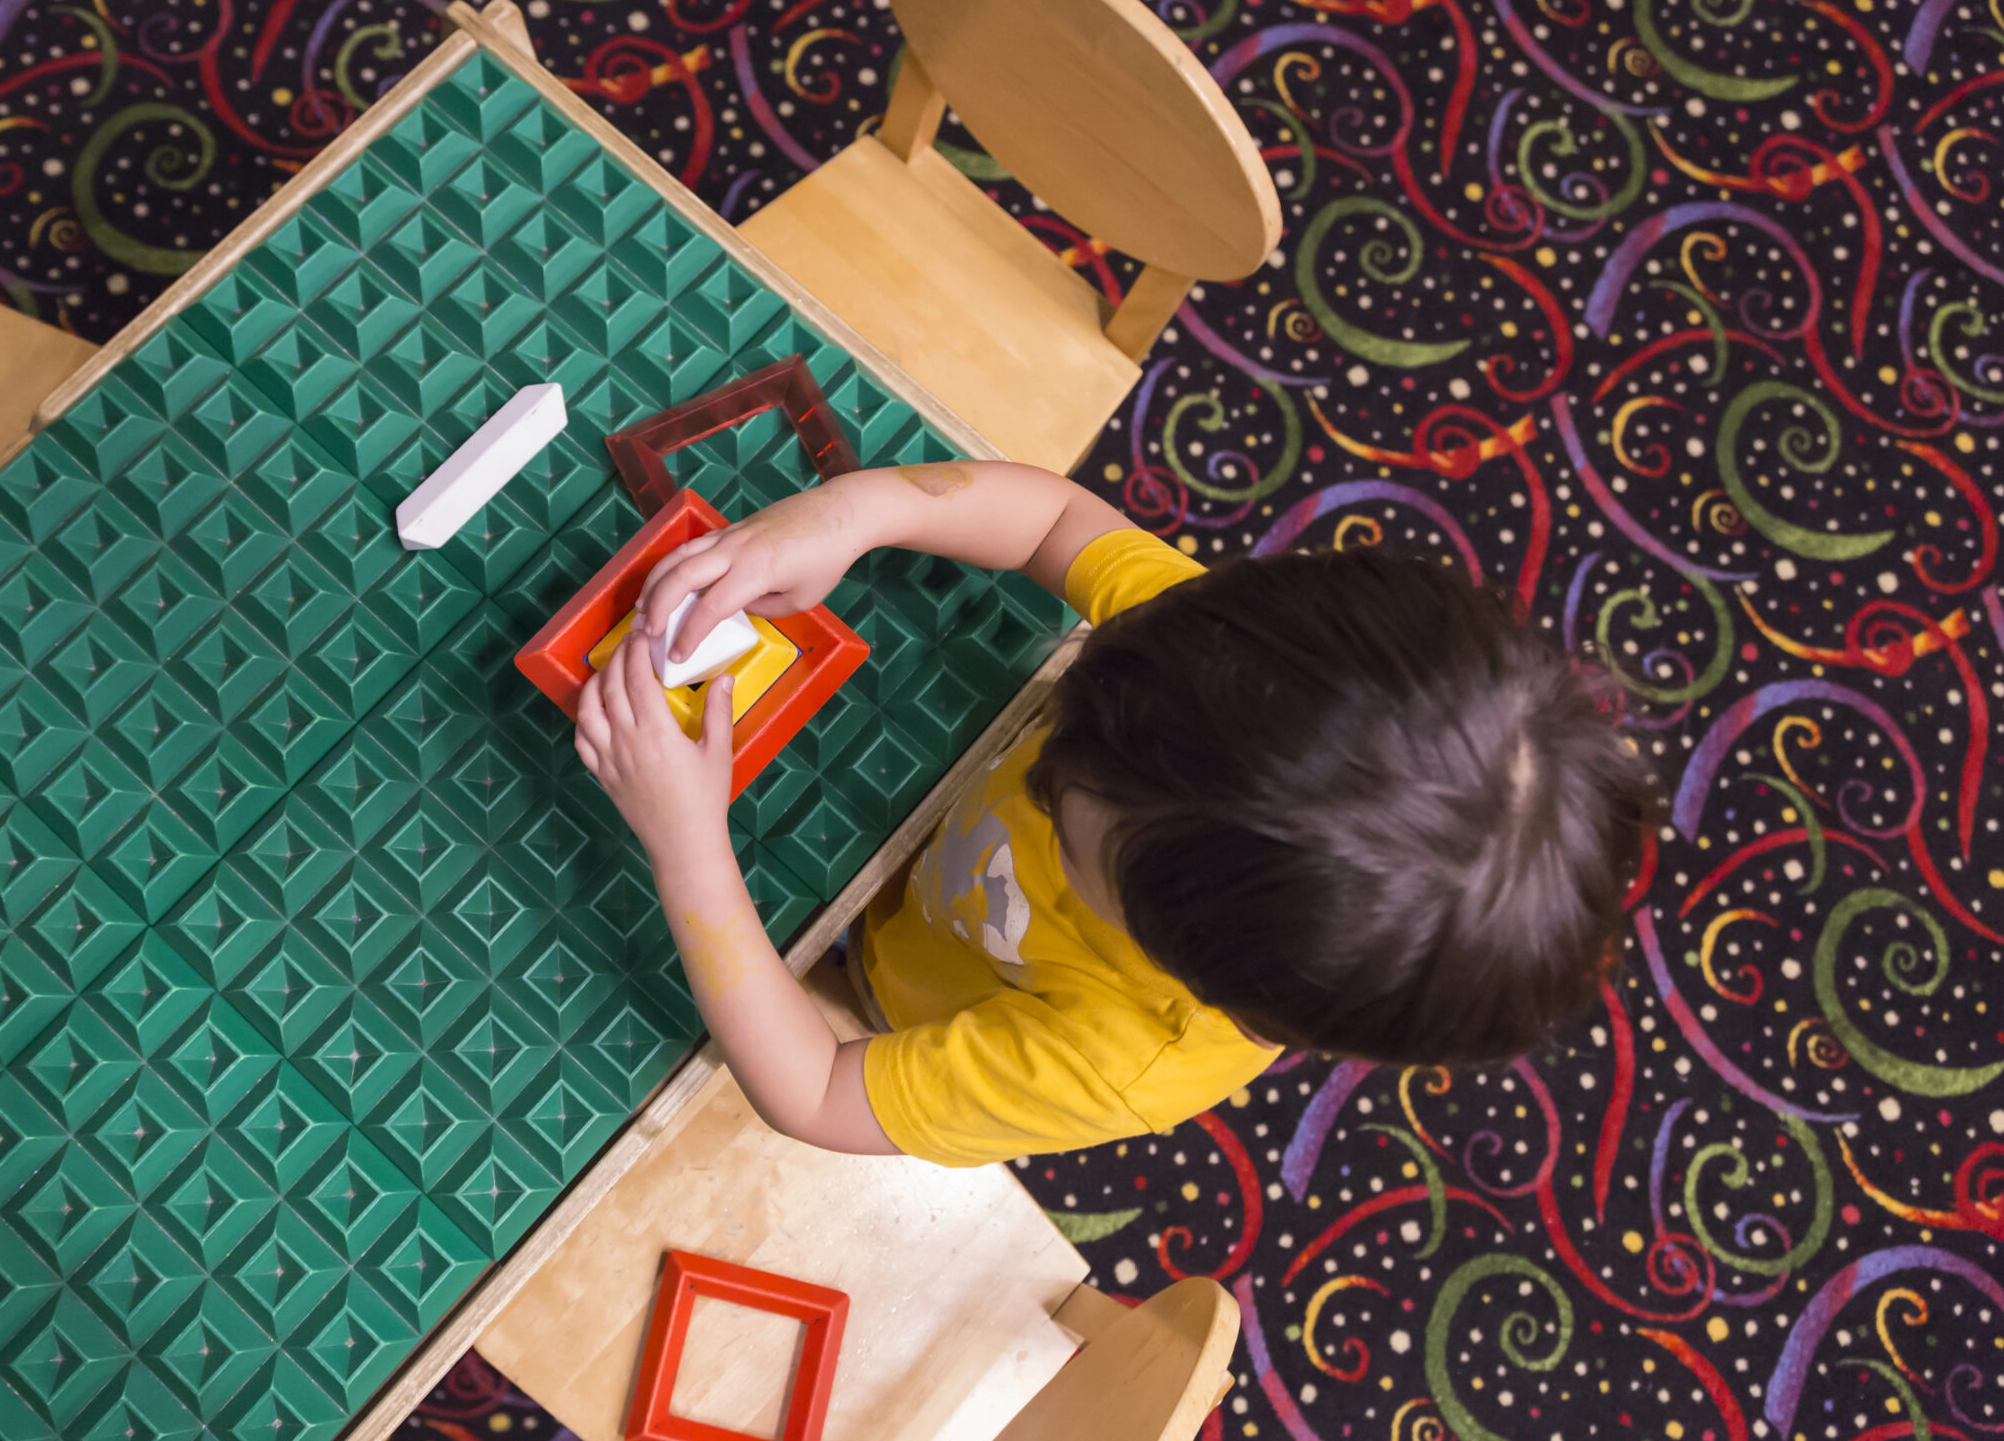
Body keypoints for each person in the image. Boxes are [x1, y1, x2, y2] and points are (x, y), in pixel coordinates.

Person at [570, 462, 1662, 1165]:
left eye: (1074, 830)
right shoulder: (1226, 683)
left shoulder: (1118, 1060)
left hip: (866, 992)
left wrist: (687, 847)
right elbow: (1052, 518)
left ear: (1188, 964)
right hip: (907, 829)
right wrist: (854, 514)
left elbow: (811, 1091)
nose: (1049, 777)